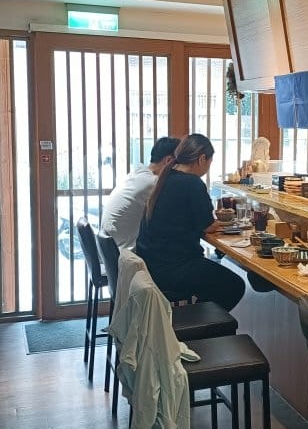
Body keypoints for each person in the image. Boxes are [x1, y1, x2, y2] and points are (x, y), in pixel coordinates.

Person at [136, 133, 245, 312]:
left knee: (214, 281)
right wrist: (226, 224)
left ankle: (198, 320)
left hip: (152, 264)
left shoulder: (166, 176)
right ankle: (201, 326)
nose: (208, 168)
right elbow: (207, 225)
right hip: (173, 267)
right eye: (210, 162)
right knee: (234, 286)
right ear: (202, 159)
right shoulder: (192, 183)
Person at [101, 136, 180, 250]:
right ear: (168, 161)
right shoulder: (153, 182)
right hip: (126, 253)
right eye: (179, 165)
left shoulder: (138, 174)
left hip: (111, 250)